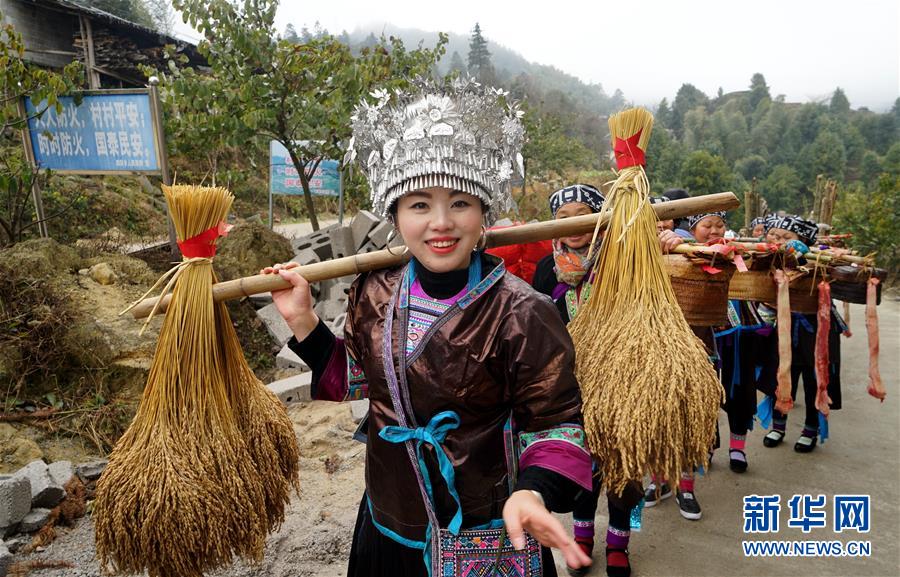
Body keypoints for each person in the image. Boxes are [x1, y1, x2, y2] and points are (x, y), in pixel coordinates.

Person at [263, 79, 592, 577]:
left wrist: (533, 491)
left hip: (488, 528)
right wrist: (303, 319)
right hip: (389, 520)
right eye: (419, 204)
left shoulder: (523, 311)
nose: (441, 222)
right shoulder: (375, 290)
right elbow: (357, 380)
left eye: (460, 203)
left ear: (484, 214)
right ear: (395, 214)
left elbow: (557, 425)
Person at [533, 185, 682, 577]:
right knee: (582, 464)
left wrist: (668, 240)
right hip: (571, 382)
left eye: (583, 213)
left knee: (626, 467)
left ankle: (620, 540)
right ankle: (582, 535)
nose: (574, 224)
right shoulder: (547, 269)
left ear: (601, 218)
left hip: (623, 378)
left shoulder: (624, 256)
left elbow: (658, 271)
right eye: (563, 218)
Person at [644, 211, 730, 518]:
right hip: (654, 348)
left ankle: (686, 486)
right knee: (657, 418)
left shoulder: (708, 252)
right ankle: (657, 481)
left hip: (700, 346)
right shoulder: (637, 252)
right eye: (708, 224)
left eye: (719, 224)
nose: (714, 230)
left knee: (691, 419)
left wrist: (683, 245)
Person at [759, 215, 844, 453]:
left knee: (813, 381)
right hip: (783, 328)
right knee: (781, 377)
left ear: (803, 240)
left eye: (787, 237)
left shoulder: (818, 260)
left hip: (815, 330)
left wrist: (805, 255)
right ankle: (777, 426)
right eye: (774, 235)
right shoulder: (768, 259)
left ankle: (810, 429)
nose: (780, 240)